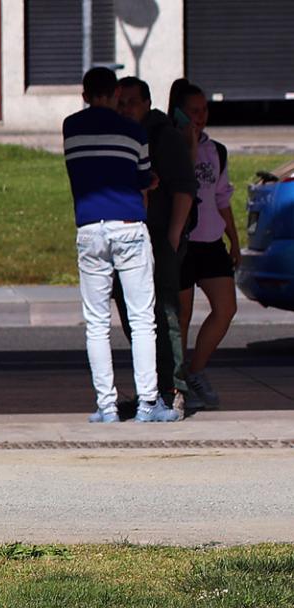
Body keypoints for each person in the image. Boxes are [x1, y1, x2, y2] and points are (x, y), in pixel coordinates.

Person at [65, 68, 178, 424]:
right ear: (115, 94)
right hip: (129, 227)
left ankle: (106, 406)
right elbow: (143, 177)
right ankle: (148, 403)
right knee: (142, 317)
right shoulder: (133, 130)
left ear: (84, 95)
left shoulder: (70, 127)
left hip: (89, 229)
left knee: (96, 322)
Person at [114, 76, 194, 416]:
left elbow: (184, 188)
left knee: (165, 311)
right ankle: (150, 389)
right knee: (134, 314)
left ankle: (174, 387)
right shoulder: (122, 136)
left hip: (160, 235)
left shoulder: (163, 136)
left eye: (132, 101)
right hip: (128, 235)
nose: (126, 108)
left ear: (147, 103)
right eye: (121, 102)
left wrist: (174, 235)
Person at [176, 83, 238, 410]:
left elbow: (221, 197)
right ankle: (176, 382)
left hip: (211, 240)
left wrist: (234, 239)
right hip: (183, 242)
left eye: (204, 110)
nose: (201, 117)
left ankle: (195, 370)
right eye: (194, 111)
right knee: (181, 316)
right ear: (179, 111)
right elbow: (180, 181)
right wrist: (186, 143)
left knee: (226, 308)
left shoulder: (216, 150)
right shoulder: (172, 144)